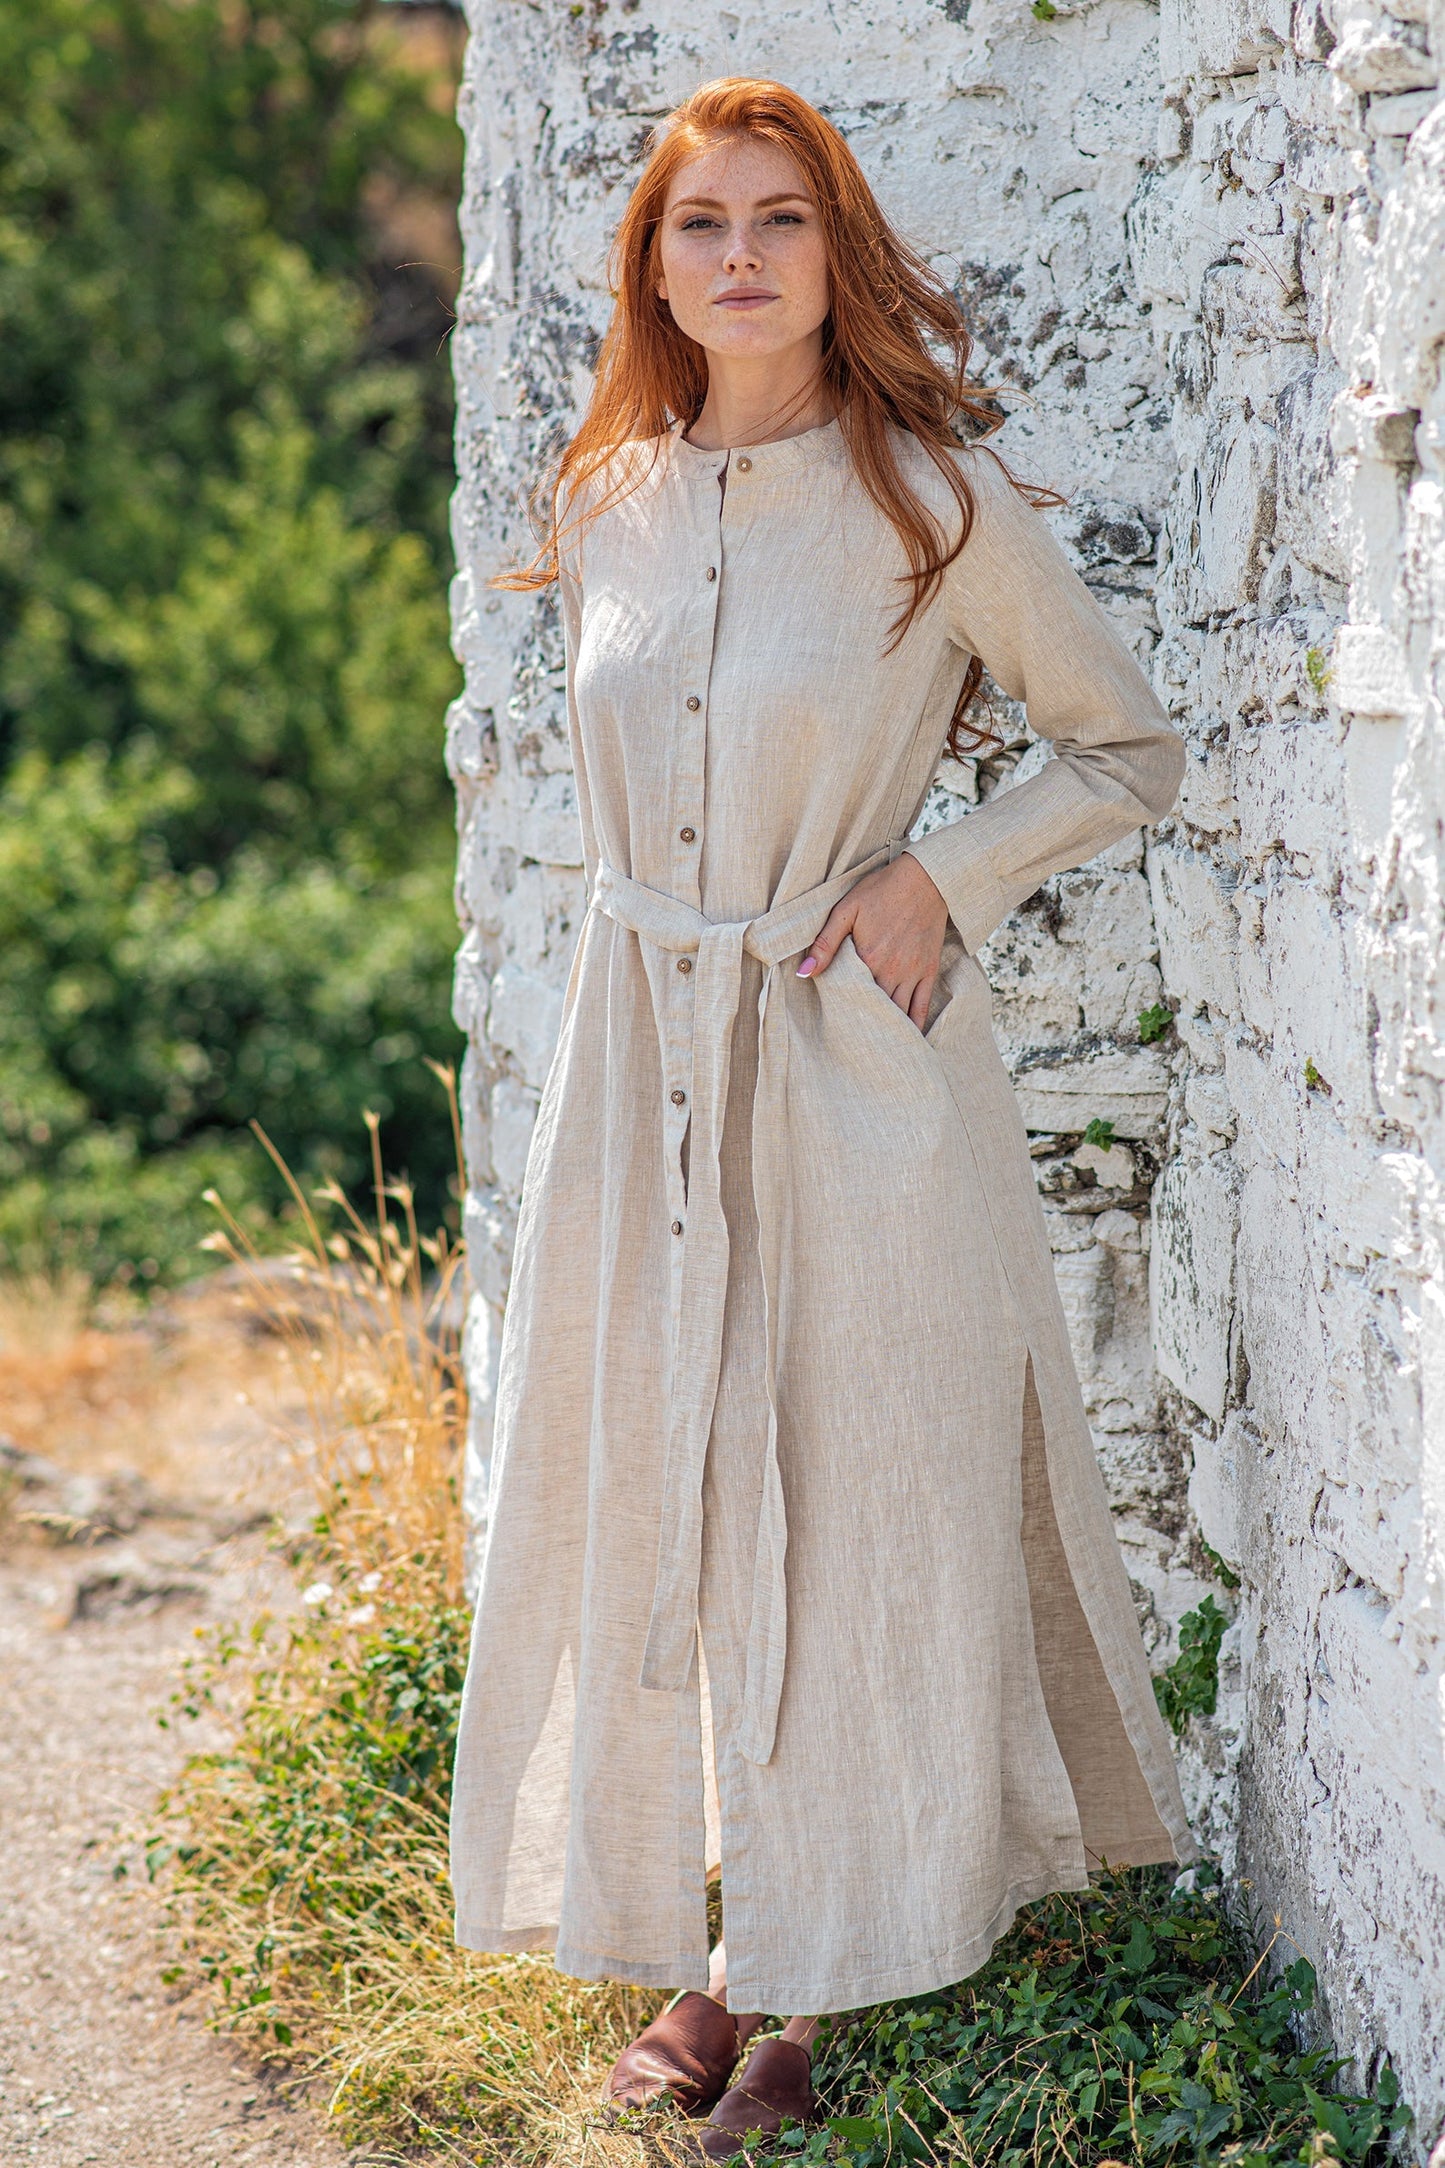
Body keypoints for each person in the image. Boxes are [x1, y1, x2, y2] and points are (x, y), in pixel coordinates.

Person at [448, 75, 1196, 2160]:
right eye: (702, 225)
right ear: (655, 264)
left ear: (831, 248)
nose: (743, 256)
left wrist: (929, 878)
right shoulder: (602, 493)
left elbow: (1129, 747)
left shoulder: (927, 503)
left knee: (850, 1489)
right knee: (666, 1485)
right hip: (641, 1064)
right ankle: (718, 1932)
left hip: (851, 1063)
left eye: (780, 218)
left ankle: (800, 1973)